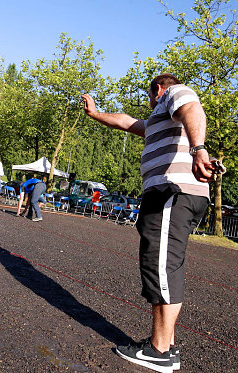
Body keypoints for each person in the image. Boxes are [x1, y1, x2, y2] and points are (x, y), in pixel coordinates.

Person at [82, 73, 213, 373]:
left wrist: (198, 149)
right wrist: (97, 114)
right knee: (167, 264)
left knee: (160, 267)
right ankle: (167, 345)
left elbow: (193, 107)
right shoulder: (160, 118)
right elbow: (128, 122)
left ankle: (158, 351)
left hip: (172, 191)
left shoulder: (173, 94)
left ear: (157, 89)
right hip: (171, 195)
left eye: (150, 95)